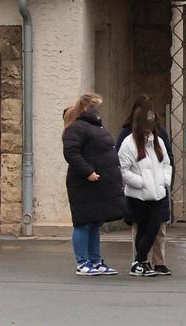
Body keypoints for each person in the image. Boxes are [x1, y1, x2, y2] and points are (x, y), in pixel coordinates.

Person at [62, 92, 123, 276]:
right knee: (82, 222)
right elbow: (71, 153)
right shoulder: (77, 128)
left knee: (95, 222)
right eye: (95, 106)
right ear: (86, 107)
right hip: (83, 183)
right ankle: (83, 262)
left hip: (96, 183)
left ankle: (95, 261)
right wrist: (88, 172)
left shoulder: (94, 126)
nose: (98, 110)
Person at [118, 105, 174, 277]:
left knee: (154, 227)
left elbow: (166, 163)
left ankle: (140, 261)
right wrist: (140, 182)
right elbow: (123, 170)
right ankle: (140, 262)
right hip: (138, 194)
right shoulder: (128, 143)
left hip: (156, 193)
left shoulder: (157, 141)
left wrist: (164, 181)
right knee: (142, 229)